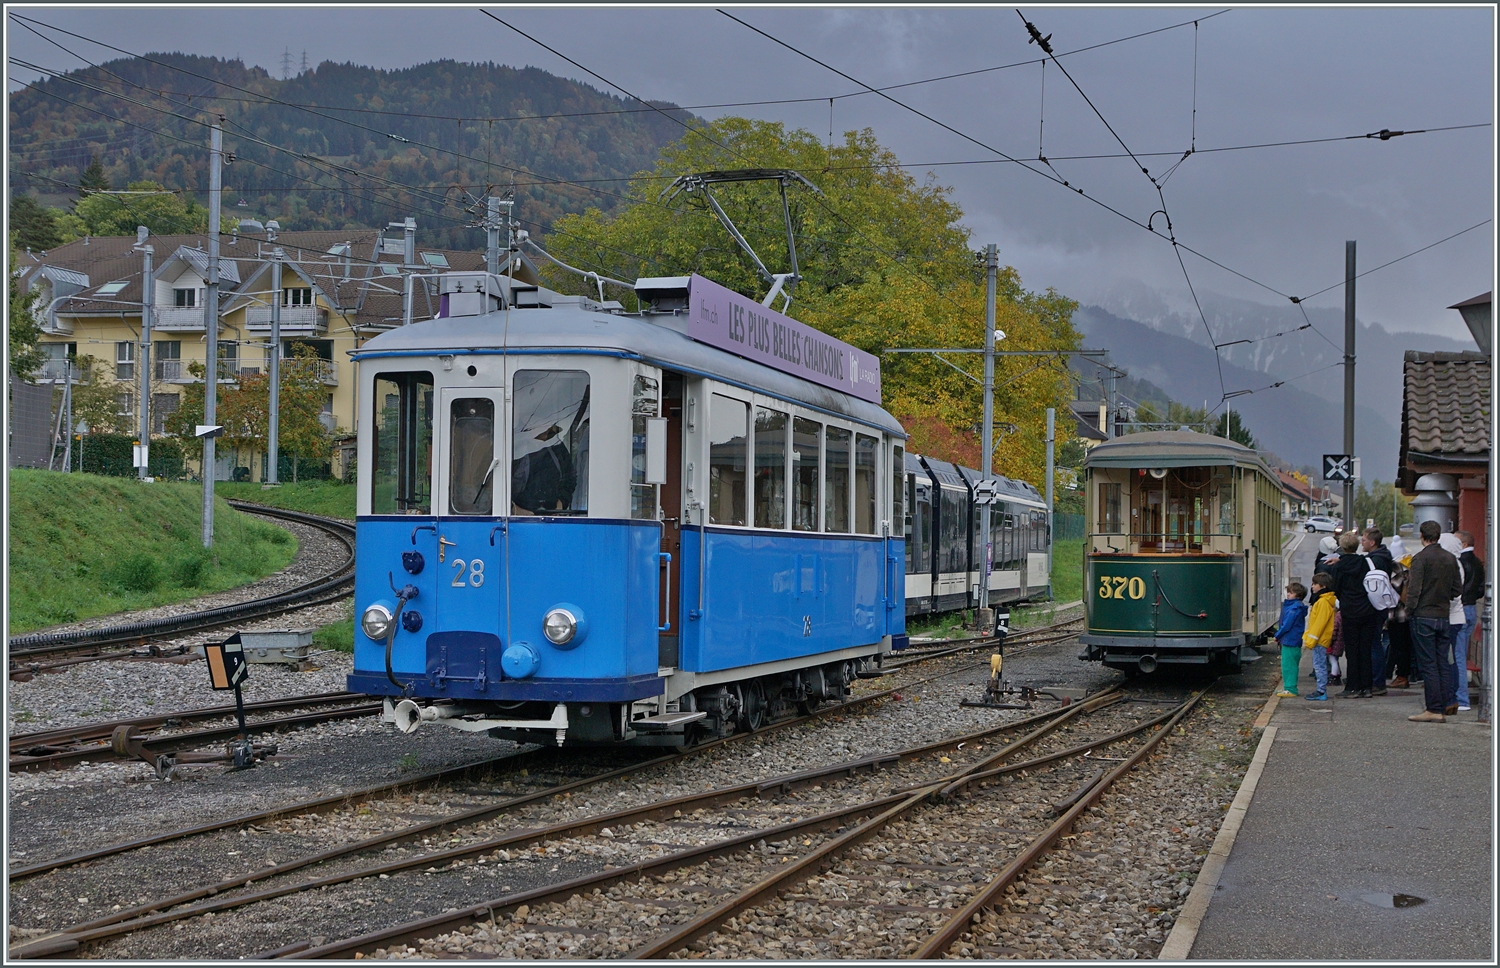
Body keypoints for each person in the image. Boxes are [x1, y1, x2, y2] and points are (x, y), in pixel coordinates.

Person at [1406, 520, 1463, 723]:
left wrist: (1409, 610)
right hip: (1443, 615)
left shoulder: (1420, 559)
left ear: (1422, 536)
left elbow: (1414, 590)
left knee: (1428, 664)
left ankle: (1433, 708)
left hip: (1423, 615)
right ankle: (1444, 703)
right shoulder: (1450, 558)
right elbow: (1457, 590)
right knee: (1442, 663)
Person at [1322, 531, 1391, 697]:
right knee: (1365, 649)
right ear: (1357, 545)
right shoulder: (1366, 562)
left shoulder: (1338, 567)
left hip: (1350, 610)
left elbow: (1336, 589)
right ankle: (1367, 687)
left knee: (1352, 650)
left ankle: (1352, 686)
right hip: (1368, 610)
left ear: (1342, 547)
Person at [1439, 533, 1469, 712]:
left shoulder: (1452, 566)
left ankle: (1453, 696)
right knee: (1451, 659)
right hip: (1453, 617)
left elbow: (1452, 595)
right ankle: (1452, 696)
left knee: (1450, 660)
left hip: (1450, 617)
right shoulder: (1456, 564)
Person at [1456, 530, 1485, 711]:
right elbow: (1481, 589)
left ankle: (1461, 699)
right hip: (1472, 608)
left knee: (1458, 656)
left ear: (1464, 544)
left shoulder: (1460, 562)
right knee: (1462, 654)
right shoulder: (1478, 563)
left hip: (1460, 608)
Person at [1301, 575, 1335, 701]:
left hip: (1319, 640)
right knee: (1320, 664)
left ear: (1323, 586)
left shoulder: (1322, 602)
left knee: (1319, 665)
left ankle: (1321, 690)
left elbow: (1319, 624)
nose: (1312, 586)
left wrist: (1310, 640)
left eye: (1315, 584)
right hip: (1321, 639)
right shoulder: (1325, 601)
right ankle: (1321, 689)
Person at [1275, 582, 1309, 698]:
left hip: (1290, 640)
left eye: (1291, 592)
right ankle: (1288, 687)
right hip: (1293, 640)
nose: (1288, 594)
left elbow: (1287, 625)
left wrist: (1277, 635)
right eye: (1288, 592)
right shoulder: (1296, 606)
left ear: (1298, 595)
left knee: (1288, 665)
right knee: (1290, 664)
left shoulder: (1294, 608)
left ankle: (1290, 688)